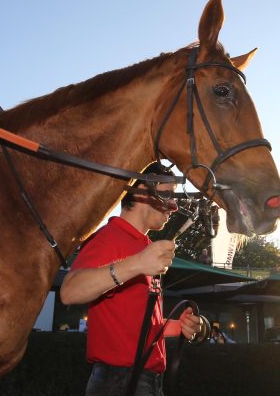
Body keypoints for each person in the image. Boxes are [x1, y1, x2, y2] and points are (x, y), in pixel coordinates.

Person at [60, 162, 205, 396]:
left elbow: (138, 326)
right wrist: (137, 263)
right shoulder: (109, 237)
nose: (174, 205)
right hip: (118, 381)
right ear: (141, 192)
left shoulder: (146, 246)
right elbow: (70, 291)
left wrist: (179, 326)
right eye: (168, 193)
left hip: (143, 380)